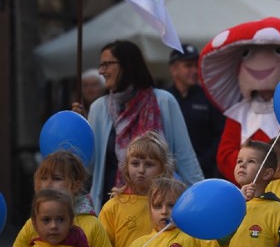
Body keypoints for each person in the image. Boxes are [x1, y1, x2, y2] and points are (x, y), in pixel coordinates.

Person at [72, 39, 203, 210]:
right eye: (101, 65)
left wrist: (202, 198)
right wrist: (79, 132)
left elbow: (185, 157)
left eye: (106, 64)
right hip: (112, 209)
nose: (101, 71)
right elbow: (87, 165)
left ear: (126, 65)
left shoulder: (163, 101)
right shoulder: (99, 108)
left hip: (159, 208)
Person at [166, 44, 225, 179]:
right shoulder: (164, 98)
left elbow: (221, 133)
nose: (194, 70)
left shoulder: (209, 97)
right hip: (169, 174)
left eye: (196, 65)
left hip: (204, 172)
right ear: (174, 69)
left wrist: (202, 162)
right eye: (188, 65)